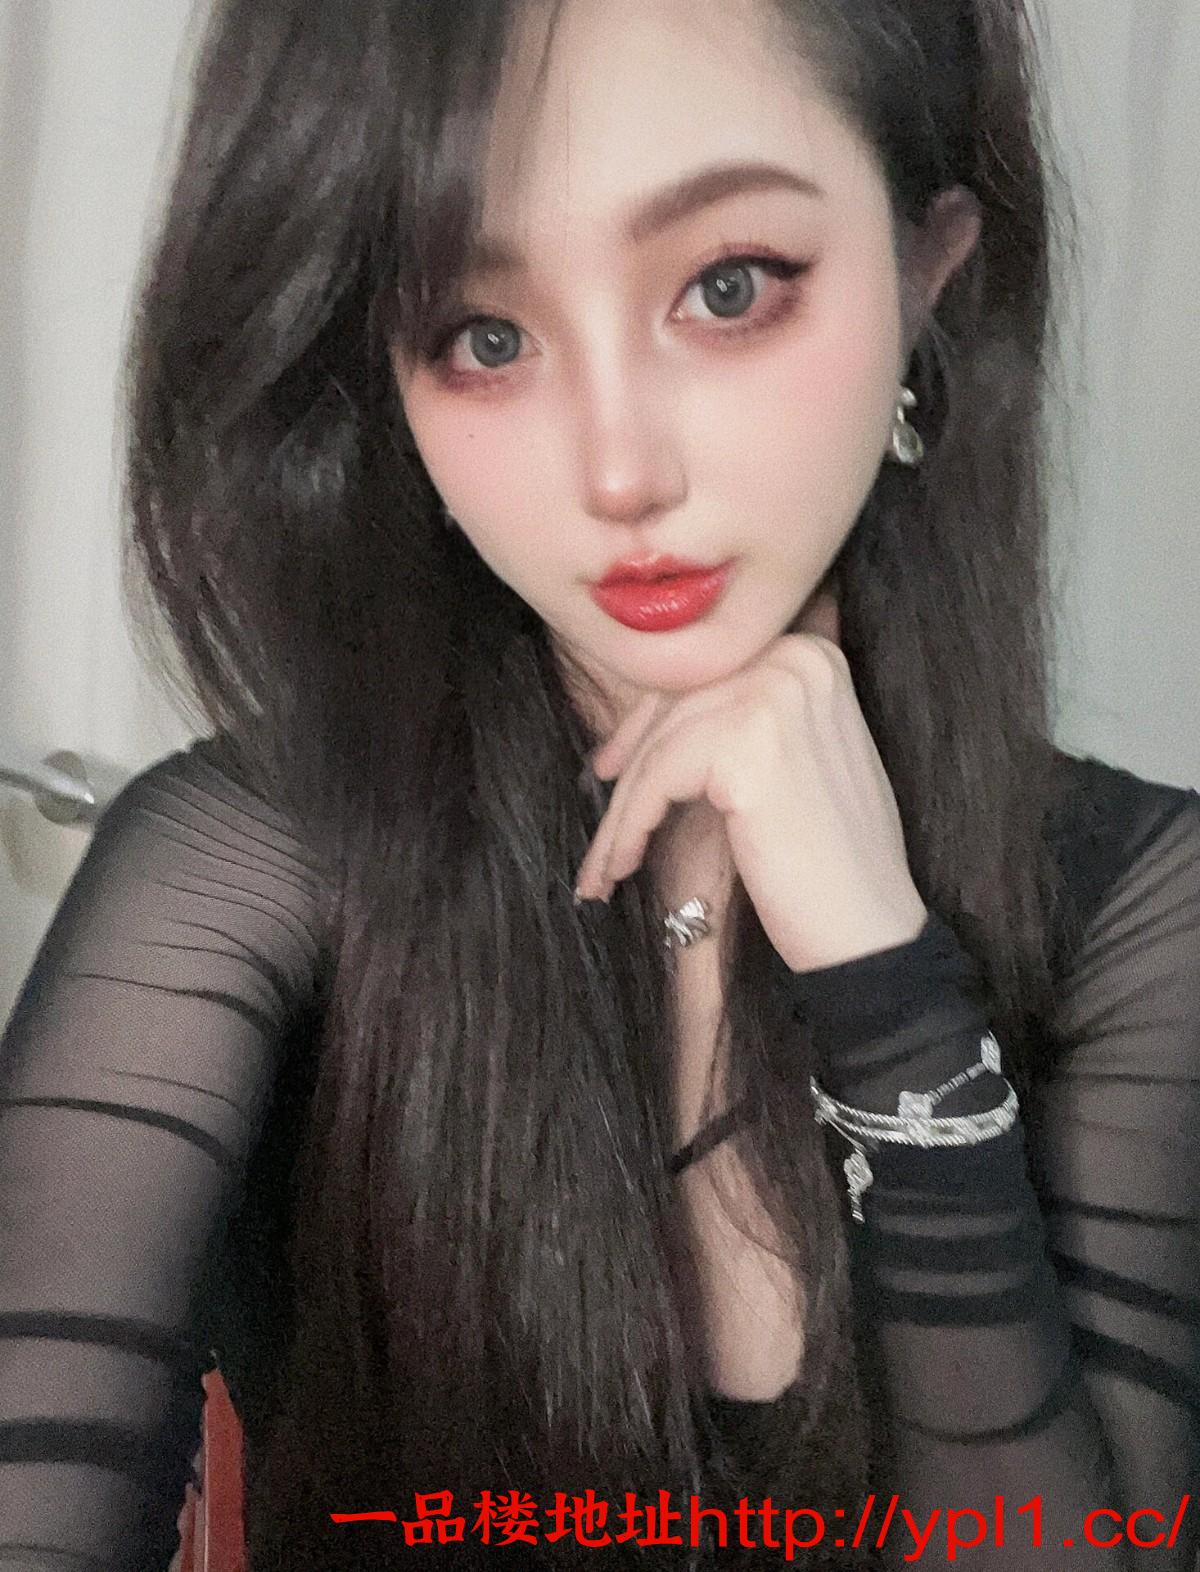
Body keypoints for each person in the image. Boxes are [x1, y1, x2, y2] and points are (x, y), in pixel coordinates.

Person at [1, 0, 1197, 1566]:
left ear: (929, 270)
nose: (619, 471)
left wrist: (890, 988)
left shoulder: (1139, 907)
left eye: (727, 286)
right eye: (484, 338)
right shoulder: (244, 869)